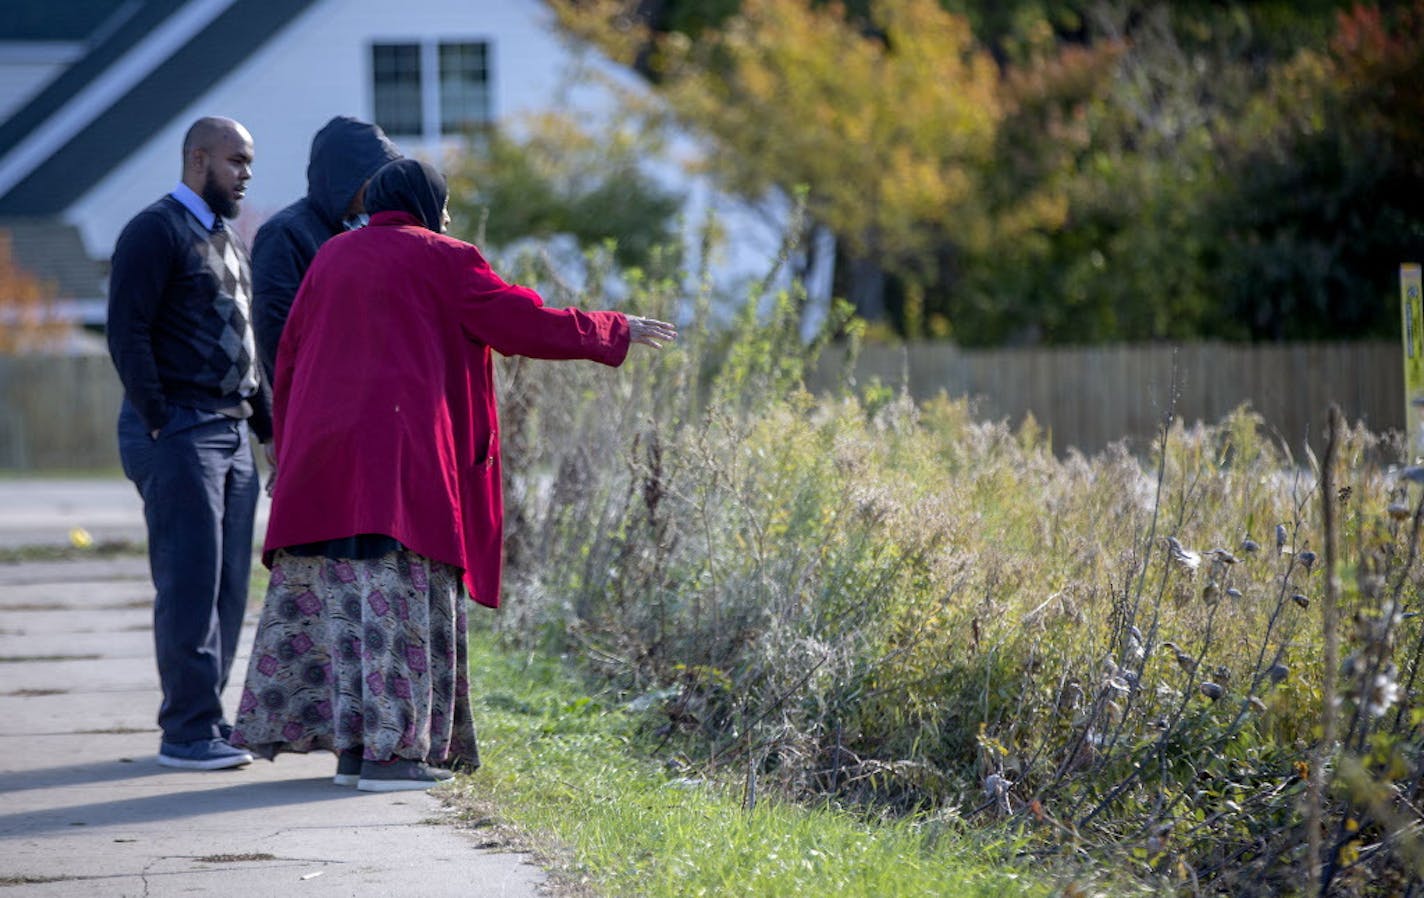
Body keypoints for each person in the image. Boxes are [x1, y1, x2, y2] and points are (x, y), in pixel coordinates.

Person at [230, 158, 676, 791]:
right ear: (425, 203)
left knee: (348, 600)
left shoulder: (331, 256)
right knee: (398, 601)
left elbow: (291, 355)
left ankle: (357, 751)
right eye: (443, 205)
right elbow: (522, 322)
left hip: (326, 469)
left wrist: (286, 447)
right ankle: (393, 759)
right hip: (403, 470)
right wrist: (613, 328)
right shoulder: (445, 257)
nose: (447, 217)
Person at [107, 116, 267, 770]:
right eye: (235, 161)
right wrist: (157, 416)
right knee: (190, 581)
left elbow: (247, 343)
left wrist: (266, 427)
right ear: (197, 157)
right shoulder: (155, 230)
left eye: (249, 162)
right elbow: (126, 330)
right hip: (181, 428)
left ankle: (210, 721)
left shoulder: (227, 238)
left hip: (231, 432)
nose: (245, 173)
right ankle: (186, 731)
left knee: (230, 587)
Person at [251, 115, 401, 386]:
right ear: (347, 176)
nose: (383, 184)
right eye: (375, 175)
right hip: (318, 401)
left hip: (367, 398)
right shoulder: (285, 233)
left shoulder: (371, 227)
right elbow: (275, 331)